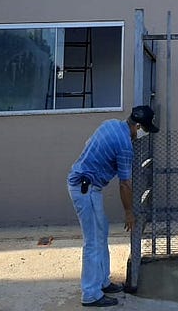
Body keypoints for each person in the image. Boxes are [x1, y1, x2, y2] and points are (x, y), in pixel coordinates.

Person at [67, 106, 159, 307]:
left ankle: (103, 281)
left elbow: (88, 144)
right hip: (85, 188)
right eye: (143, 130)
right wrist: (129, 213)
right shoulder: (125, 145)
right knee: (92, 241)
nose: (142, 135)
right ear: (137, 126)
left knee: (101, 234)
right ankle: (90, 294)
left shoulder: (110, 124)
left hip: (88, 186)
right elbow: (125, 184)